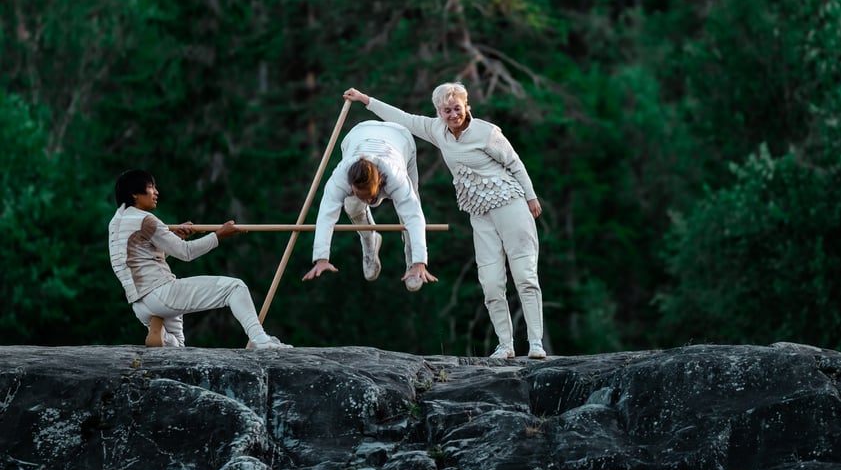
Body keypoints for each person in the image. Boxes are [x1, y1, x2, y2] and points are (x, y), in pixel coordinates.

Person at [343, 83, 547, 359]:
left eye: (457, 109)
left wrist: (532, 197)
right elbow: (402, 118)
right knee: (490, 282)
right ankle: (506, 345)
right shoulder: (437, 130)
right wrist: (365, 99)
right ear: (439, 112)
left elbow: (515, 163)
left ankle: (535, 343)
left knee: (524, 275)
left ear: (466, 107)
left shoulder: (486, 132)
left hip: (509, 203)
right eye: (446, 110)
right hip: (478, 212)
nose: (453, 115)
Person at [107, 169, 291, 349]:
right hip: (161, 294)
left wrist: (176, 237)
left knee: (177, 347)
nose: (156, 192)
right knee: (235, 287)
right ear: (134, 194)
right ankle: (260, 339)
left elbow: (147, 257)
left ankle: (162, 336)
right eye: (151, 187)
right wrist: (218, 236)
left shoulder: (116, 223)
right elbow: (186, 253)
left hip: (140, 305)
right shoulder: (147, 220)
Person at [301, 120, 438, 292]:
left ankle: (411, 258)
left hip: (401, 139)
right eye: (361, 196)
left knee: (409, 208)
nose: (368, 201)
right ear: (351, 185)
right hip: (357, 135)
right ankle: (369, 240)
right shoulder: (339, 178)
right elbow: (326, 215)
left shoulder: (396, 177)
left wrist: (420, 262)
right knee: (351, 207)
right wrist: (321, 258)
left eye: (370, 196)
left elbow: (414, 215)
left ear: (380, 180)